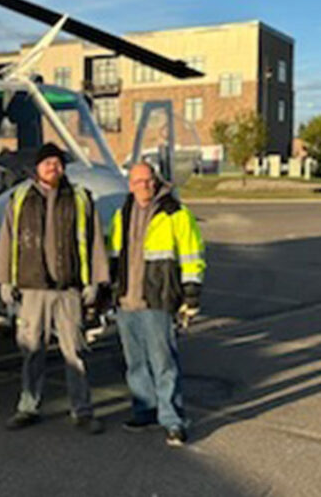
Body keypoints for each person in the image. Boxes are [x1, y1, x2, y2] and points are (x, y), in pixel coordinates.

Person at [0, 142, 110, 434]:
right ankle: (28, 407)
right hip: (33, 288)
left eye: (57, 163)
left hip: (68, 289)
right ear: (37, 168)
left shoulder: (80, 198)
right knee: (32, 350)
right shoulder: (20, 198)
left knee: (76, 351)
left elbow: (94, 240)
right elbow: (7, 238)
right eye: (47, 163)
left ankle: (82, 410)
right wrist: (4, 280)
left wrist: (95, 280)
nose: (52, 168)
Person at [109, 161, 206, 447]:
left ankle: (173, 420)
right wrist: (108, 291)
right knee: (135, 363)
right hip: (127, 301)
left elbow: (192, 254)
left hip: (158, 300)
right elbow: (116, 255)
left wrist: (191, 294)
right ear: (130, 185)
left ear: (156, 181)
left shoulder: (176, 213)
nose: (145, 186)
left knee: (164, 363)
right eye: (138, 181)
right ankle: (145, 411)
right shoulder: (122, 214)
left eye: (149, 180)